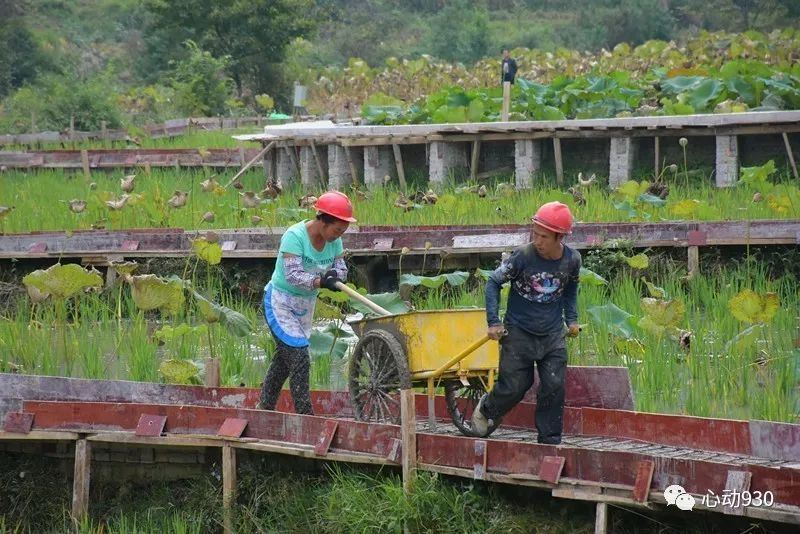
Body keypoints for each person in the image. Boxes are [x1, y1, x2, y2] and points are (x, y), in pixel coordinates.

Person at [472, 201, 581, 443]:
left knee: (554, 385)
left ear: (559, 237)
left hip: (552, 333)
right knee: (516, 386)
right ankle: (487, 408)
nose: (538, 241)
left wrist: (571, 319)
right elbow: (493, 282)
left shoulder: (572, 260)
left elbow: (571, 289)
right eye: (535, 234)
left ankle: (549, 441)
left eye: (544, 236)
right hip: (519, 331)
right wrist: (493, 321)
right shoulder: (523, 256)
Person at [257, 191, 356, 414]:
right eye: (337, 229)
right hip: (280, 302)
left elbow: (341, 268)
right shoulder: (295, 236)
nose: (338, 235)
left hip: (304, 305)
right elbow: (293, 275)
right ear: (322, 220)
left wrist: (336, 276)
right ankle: (305, 414)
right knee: (300, 356)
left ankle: (264, 406)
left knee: (285, 358)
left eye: (343, 231)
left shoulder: (335, 242)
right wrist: (321, 281)